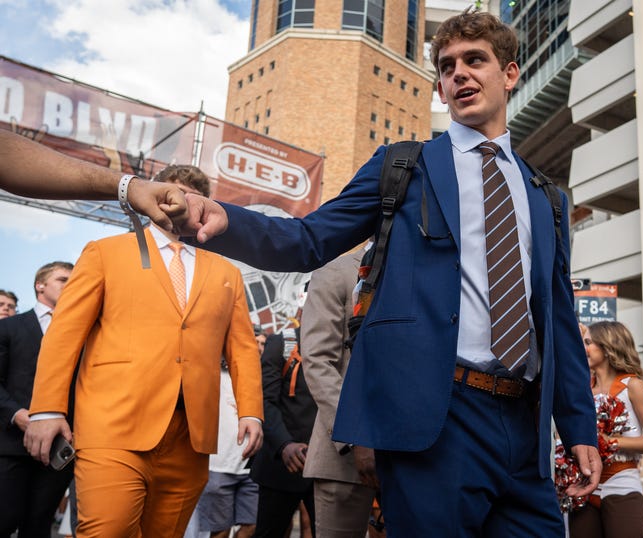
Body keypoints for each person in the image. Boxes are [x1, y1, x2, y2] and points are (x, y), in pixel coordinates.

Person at [175, 8, 600, 536]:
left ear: (509, 74)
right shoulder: (403, 165)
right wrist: (225, 220)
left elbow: (559, 317)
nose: (460, 73)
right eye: (447, 67)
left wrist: (579, 426)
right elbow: (309, 240)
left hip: (525, 428)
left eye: (475, 60)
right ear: (441, 91)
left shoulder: (546, 198)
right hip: (436, 420)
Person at [23, 165, 264, 537]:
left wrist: (252, 411)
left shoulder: (225, 273)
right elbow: (65, 334)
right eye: (171, 192)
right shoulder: (105, 252)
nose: (180, 203)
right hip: (112, 425)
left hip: (191, 437)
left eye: (192, 196)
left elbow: (243, 349)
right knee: (108, 531)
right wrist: (47, 408)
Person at [301, 248, 380, 537]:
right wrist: (356, 434)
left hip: (416, 455)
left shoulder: (428, 271)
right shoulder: (336, 270)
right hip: (344, 458)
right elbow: (319, 361)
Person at [0, 262, 74, 537]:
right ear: (39, 285)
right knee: (4, 520)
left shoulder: (87, 332)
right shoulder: (9, 328)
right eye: (63, 279)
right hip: (11, 444)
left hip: (61, 447)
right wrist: (16, 414)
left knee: (39, 525)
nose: (71, 284)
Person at [568, 321, 643, 538]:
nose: (584, 348)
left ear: (608, 347)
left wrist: (612, 441)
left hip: (622, 484)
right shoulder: (582, 388)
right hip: (583, 488)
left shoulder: (633, 386)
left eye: (588, 342)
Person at [0, 129, 187, 231]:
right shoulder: (107, 253)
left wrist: (130, 186)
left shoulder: (211, 260)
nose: (185, 201)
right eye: (182, 193)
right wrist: (130, 186)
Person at [250, 328, 317, 538]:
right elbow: (265, 401)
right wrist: (284, 444)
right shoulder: (282, 343)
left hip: (325, 464)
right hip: (281, 464)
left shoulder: (341, 342)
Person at [187, 358, 260, 538]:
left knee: (252, 526)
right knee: (220, 530)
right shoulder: (210, 375)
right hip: (218, 466)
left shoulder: (255, 379)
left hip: (249, 466)